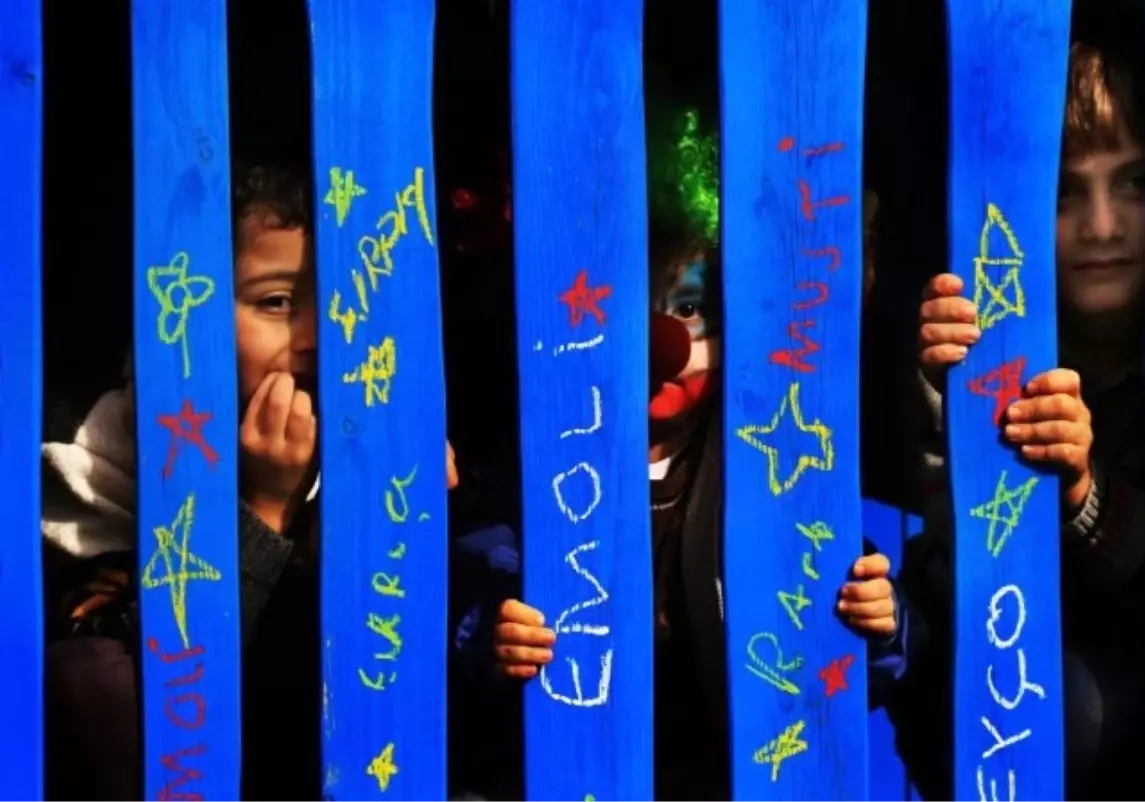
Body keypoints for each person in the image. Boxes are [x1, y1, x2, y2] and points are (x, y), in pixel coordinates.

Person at [470, 99, 909, 800]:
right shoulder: (529, 473)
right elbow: (466, 601)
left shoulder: (767, 469)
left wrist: (879, 624)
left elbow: (859, 650)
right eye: (627, 307)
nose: (665, 346)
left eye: (689, 308)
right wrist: (491, 638)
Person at [41, 160, 463, 801]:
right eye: (276, 302)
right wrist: (266, 506)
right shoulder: (100, 464)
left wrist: (413, 517)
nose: (316, 335)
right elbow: (138, 705)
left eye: (339, 302)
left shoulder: (369, 438)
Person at [893, 9, 1145, 800]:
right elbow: (947, 575)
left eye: (1134, 183)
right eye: (1065, 193)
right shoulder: (994, 346)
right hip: (994, 707)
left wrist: (1083, 494)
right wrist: (954, 402)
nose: (1102, 226)